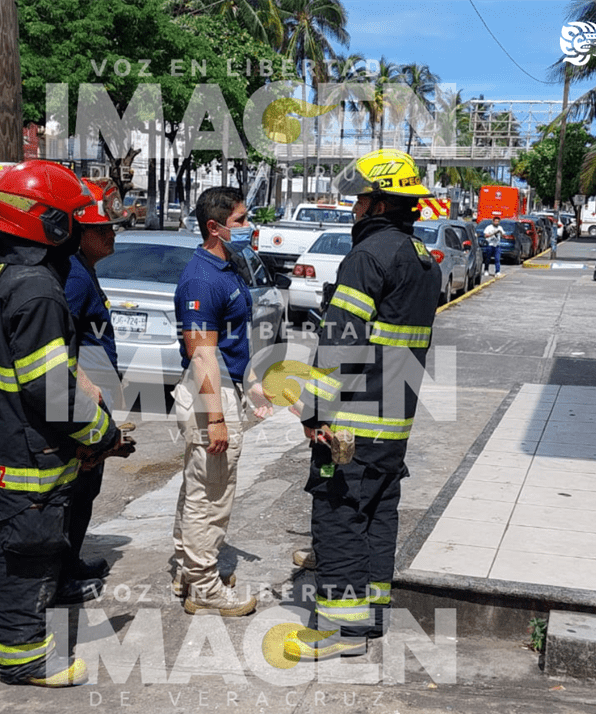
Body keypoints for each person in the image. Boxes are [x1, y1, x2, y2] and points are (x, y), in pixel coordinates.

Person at [0, 160, 127, 687]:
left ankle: (3, 641)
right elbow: (50, 389)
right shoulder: (38, 288)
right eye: (73, 221)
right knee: (33, 553)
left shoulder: (0, 277)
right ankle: (26, 660)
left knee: (11, 554)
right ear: (52, 225)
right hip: (28, 456)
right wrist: (101, 434)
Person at [284, 149, 442, 661]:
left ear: (379, 204)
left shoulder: (368, 258)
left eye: (359, 199)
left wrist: (313, 411)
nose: (353, 208)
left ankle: (338, 632)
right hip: (394, 417)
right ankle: (370, 618)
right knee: (378, 511)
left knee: (339, 514)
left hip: (352, 420)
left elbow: (339, 344)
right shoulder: (423, 262)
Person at [172, 186, 273, 616]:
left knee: (201, 488)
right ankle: (203, 587)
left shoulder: (227, 266)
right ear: (214, 227)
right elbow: (203, 353)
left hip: (223, 387)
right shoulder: (201, 279)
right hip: (206, 394)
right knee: (210, 495)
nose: (250, 227)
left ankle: (188, 570)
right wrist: (216, 418)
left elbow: (232, 344)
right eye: (241, 220)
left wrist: (251, 386)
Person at [60, 177, 128, 599]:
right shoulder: (73, 277)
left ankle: (71, 563)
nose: (112, 234)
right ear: (80, 234)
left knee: (87, 489)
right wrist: (83, 384)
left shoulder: (83, 272)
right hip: (81, 405)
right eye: (104, 229)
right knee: (76, 490)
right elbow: (57, 339)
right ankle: (62, 576)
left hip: (94, 402)